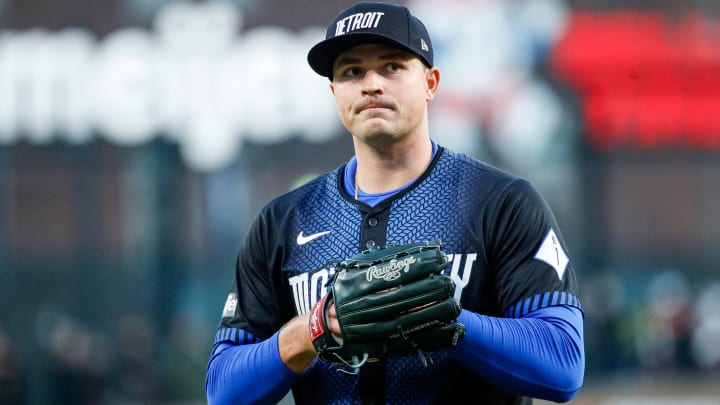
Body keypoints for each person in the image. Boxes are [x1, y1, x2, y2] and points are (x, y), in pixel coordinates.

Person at [205, 2, 585, 404]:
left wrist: (446, 320)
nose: (371, 84)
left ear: (431, 83)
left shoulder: (500, 202)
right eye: (352, 71)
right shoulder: (283, 220)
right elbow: (223, 392)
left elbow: (562, 364)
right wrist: (314, 328)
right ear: (334, 92)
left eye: (391, 66)